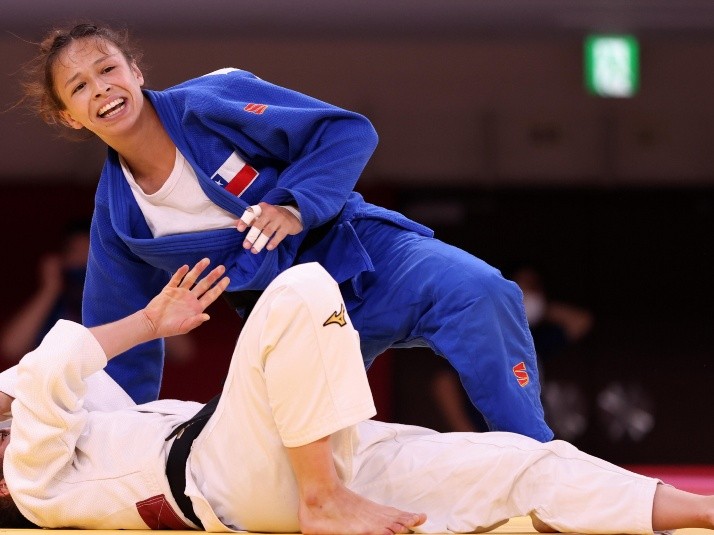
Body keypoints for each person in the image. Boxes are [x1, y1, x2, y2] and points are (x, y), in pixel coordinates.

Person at [20, 22, 552, 441]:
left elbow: (343, 132)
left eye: (108, 68)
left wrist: (293, 205)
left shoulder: (211, 101)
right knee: (276, 463)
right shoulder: (121, 219)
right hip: (292, 320)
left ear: (135, 70)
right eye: (80, 87)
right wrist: (116, 443)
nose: (102, 88)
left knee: (482, 293)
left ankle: (538, 460)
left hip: (365, 253)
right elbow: (121, 343)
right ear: (69, 117)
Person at [1, 260, 714, 535]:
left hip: (282, 461)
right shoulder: (32, 480)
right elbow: (42, 373)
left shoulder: (64, 440)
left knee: (515, 462)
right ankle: (323, 500)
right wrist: (150, 323)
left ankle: (698, 511)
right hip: (225, 475)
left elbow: (56, 382)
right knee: (305, 288)